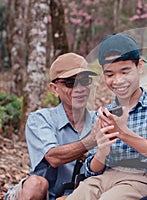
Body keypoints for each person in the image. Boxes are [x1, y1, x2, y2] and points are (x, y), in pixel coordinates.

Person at [66, 33, 147, 200]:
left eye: (125, 71)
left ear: (139, 66)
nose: (118, 80)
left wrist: (123, 133)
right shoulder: (106, 113)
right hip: (104, 177)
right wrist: (102, 153)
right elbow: (91, 168)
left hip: (144, 179)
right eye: (110, 74)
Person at [5, 52, 99, 200]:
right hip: (46, 195)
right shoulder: (41, 119)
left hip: (82, 195)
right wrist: (91, 141)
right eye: (70, 83)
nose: (79, 88)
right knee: (35, 185)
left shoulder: (99, 119)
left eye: (84, 80)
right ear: (54, 89)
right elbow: (53, 157)